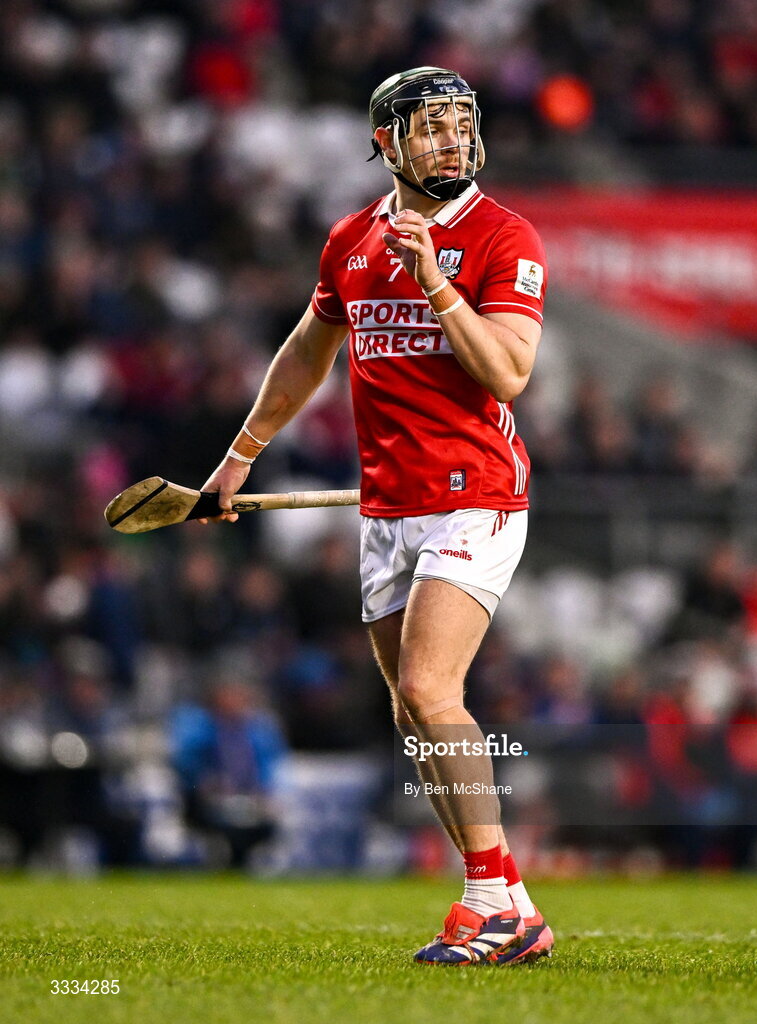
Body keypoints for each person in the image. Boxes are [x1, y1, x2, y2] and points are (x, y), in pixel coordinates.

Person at [199, 66, 553, 965]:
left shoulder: (504, 238)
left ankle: (491, 904)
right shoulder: (350, 239)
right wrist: (240, 458)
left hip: (475, 493)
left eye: (458, 125)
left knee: (436, 693)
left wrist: (436, 282)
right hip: (388, 505)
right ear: (387, 141)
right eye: (429, 127)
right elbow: (305, 353)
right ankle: (509, 896)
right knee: (407, 713)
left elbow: (508, 373)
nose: (449, 141)